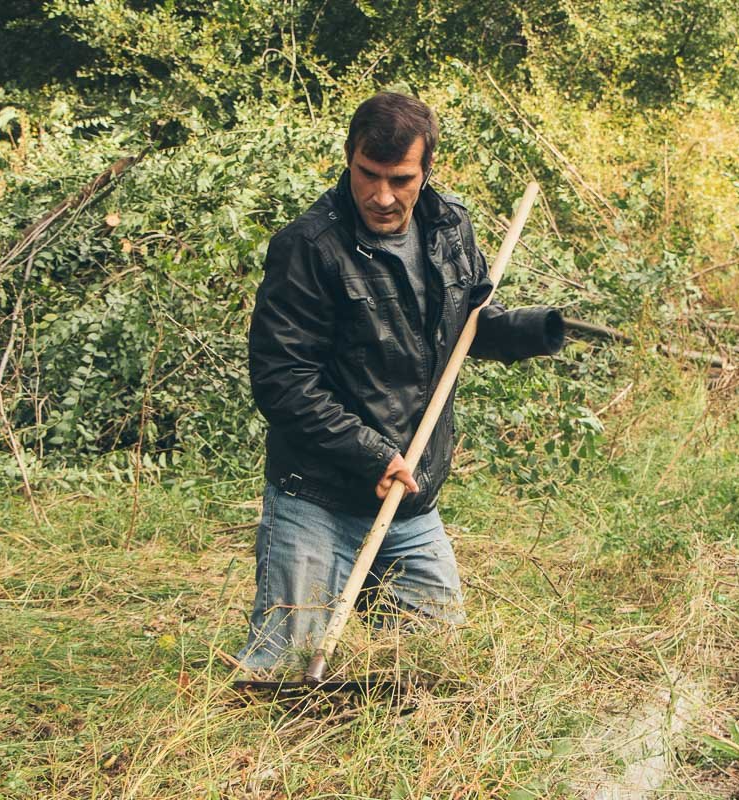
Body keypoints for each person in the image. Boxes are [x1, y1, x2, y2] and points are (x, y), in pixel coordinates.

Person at [235, 92, 566, 675]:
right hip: (318, 493)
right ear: (348, 157)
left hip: (410, 500)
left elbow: (463, 329)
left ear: (426, 170)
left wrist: (531, 330)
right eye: (368, 175)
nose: (382, 196)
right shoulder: (308, 247)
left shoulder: (449, 227)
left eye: (400, 179)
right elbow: (283, 379)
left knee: (439, 669)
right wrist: (371, 453)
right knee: (284, 672)